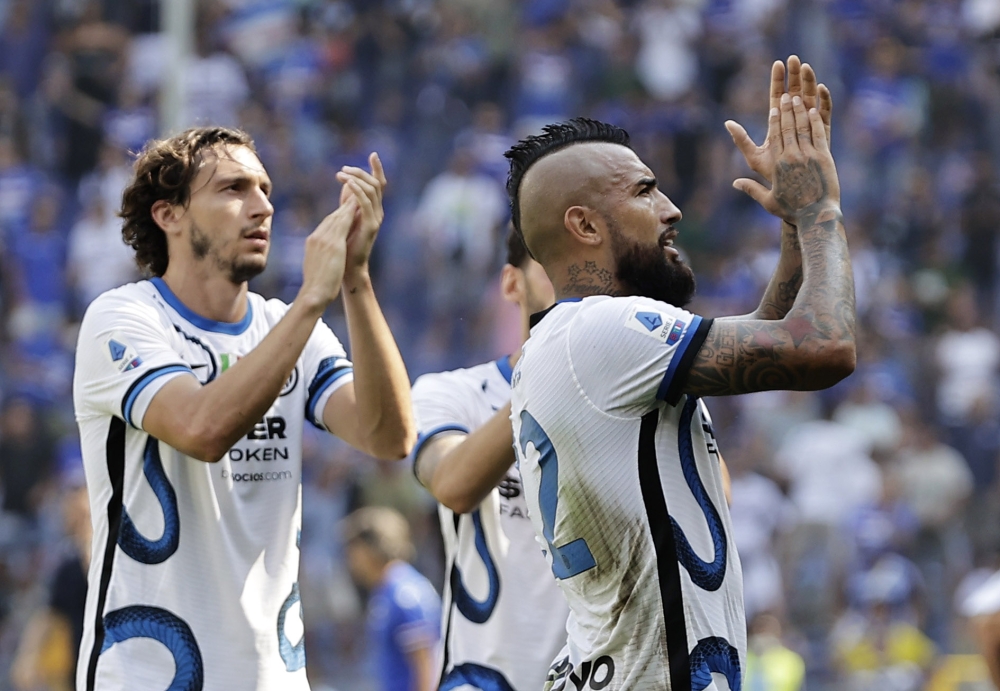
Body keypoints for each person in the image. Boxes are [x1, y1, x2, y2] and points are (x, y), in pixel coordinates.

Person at [505, 56, 855, 689]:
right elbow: (823, 347)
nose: (672, 210)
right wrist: (820, 212)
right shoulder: (601, 331)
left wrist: (792, 229)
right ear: (583, 225)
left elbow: (769, 330)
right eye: (643, 191)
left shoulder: (577, 344)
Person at [72, 126, 415, 690]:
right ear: (169, 215)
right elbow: (201, 429)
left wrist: (354, 279)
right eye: (233, 188)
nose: (262, 207)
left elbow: (389, 437)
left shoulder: (286, 326)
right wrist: (311, 300)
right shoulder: (124, 319)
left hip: (272, 677)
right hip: (143, 675)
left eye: (265, 189)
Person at [410, 228, 569, 691]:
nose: (571, 279)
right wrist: (551, 367)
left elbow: (712, 498)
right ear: (511, 283)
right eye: (551, 259)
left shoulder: (631, 403)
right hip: (482, 678)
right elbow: (453, 484)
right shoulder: (452, 393)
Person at [342, 506, 441, 691]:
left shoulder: (403, 594)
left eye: (353, 549)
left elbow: (426, 667)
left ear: (369, 548)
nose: (350, 559)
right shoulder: (387, 588)